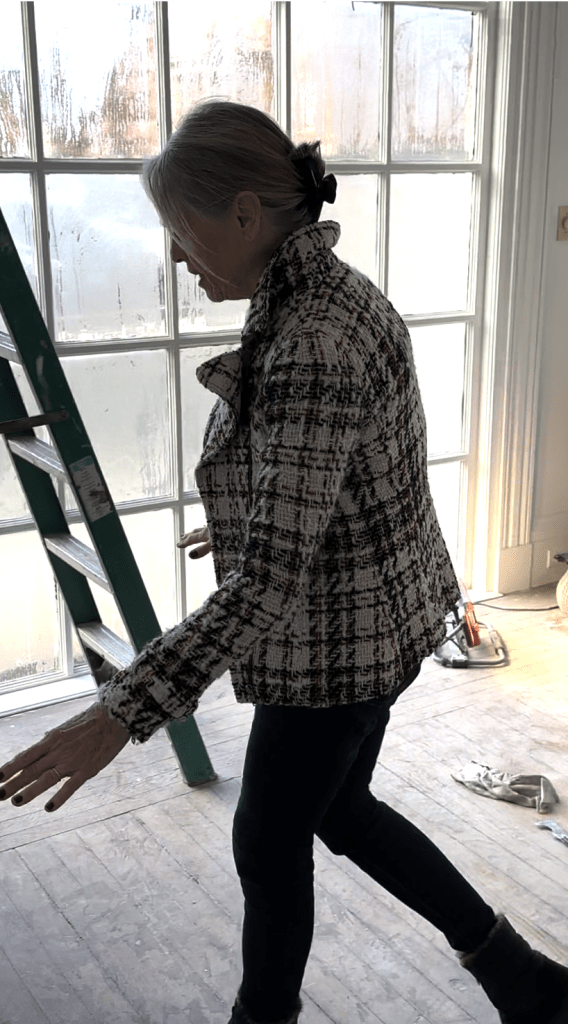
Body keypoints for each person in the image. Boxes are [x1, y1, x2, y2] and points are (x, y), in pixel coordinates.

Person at [0, 99, 566, 1024]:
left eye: (181, 231)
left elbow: (269, 583)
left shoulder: (310, 341)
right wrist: (257, 514)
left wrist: (120, 713)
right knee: (338, 811)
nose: (176, 257)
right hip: (381, 619)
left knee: (268, 845)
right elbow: (356, 474)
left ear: (244, 215)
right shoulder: (331, 294)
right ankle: (521, 976)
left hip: (340, 651)